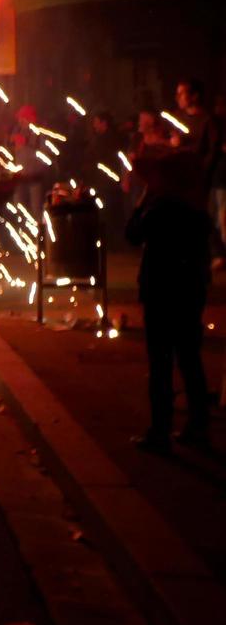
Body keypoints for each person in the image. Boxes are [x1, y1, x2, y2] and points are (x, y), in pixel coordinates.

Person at [126, 178, 211, 453]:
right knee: (190, 361)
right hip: (190, 293)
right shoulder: (198, 211)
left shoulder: (159, 209)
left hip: (161, 293)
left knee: (160, 364)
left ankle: (160, 431)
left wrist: (140, 204)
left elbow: (132, 234)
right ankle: (198, 426)